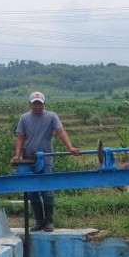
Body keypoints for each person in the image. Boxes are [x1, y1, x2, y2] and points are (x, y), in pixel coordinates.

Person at [12, 91, 80, 232]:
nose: (37, 107)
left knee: (48, 190)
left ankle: (49, 222)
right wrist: (17, 155)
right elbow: (20, 137)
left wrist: (70, 147)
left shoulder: (51, 117)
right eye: (35, 104)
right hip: (29, 160)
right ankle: (39, 222)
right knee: (32, 192)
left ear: (44, 104)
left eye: (40, 104)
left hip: (46, 159)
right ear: (30, 104)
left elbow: (61, 132)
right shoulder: (24, 118)